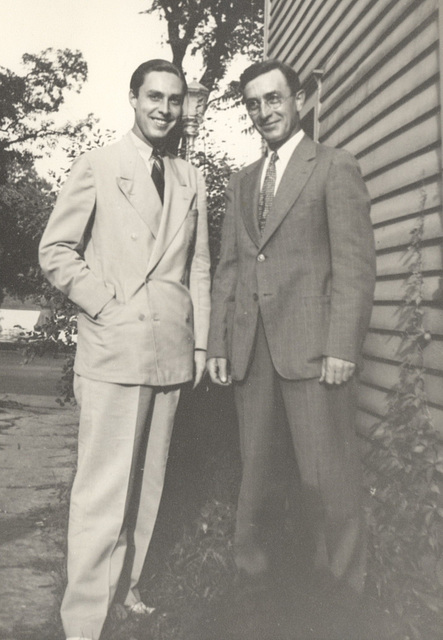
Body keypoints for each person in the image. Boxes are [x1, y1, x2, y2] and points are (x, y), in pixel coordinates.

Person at [39, 59, 211, 640]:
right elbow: (57, 249)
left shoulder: (191, 177)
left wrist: (200, 343)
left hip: (171, 348)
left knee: (149, 481)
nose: (164, 108)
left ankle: (126, 586)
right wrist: (105, 305)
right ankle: (83, 618)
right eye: (153, 97)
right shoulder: (99, 164)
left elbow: (200, 266)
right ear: (133, 99)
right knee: (102, 488)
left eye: (174, 99)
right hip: (115, 347)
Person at [207, 59, 376, 598]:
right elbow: (230, 268)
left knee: (326, 483)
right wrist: (219, 342)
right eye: (253, 104)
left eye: (274, 99)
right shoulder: (241, 182)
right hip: (252, 354)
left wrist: (341, 346)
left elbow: (355, 265)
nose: (264, 112)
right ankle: (255, 593)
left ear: (298, 100)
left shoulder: (333, 166)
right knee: (255, 483)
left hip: (314, 352)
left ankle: (342, 600)